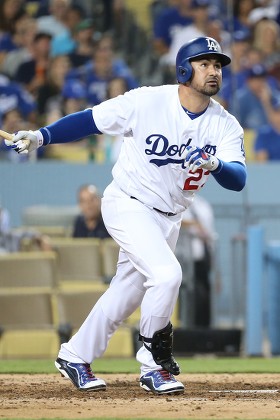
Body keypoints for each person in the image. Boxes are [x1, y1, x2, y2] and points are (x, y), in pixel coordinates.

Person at [6, 36, 247, 395]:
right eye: (204, 63)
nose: (214, 71)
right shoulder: (148, 101)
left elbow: (238, 179)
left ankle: (75, 355)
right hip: (129, 203)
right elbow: (91, 120)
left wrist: (216, 163)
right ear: (184, 68)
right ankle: (153, 365)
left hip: (169, 217)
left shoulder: (225, 125)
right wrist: (42, 136)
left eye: (217, 65)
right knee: (167, 276)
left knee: (125, 295)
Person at [180, 194, 216, 327]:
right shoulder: (175, 199)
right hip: (183, 258)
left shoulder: (203, 204)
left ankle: (202, 328)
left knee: (203, 293)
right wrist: (195, 225)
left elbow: (209, 233)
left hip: (201, 257)